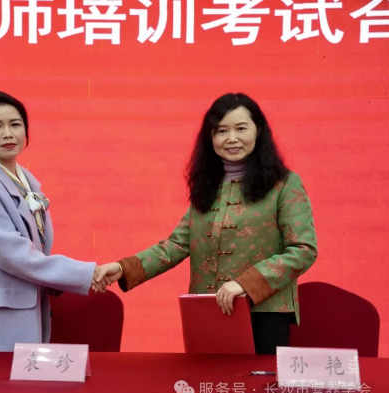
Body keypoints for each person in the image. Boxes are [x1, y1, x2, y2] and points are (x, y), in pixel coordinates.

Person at [99, 93, 318, 354]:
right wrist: (122, 268)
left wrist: (246, 284)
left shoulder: (285, 184)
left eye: (241, 128)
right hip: (207, 310)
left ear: (258, 130)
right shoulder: (207, 187)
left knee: (255, 381)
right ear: (210, 137)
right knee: (206, 380)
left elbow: (303, 250)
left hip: (264, 313)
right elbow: (175, 245)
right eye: (221, 131)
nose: (231, 138)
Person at [0, 91, 114, 351]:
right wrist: (85, 274)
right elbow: (16, 255)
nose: (8, 134)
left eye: (15, 124)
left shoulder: (25, 179)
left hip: (20, 308)